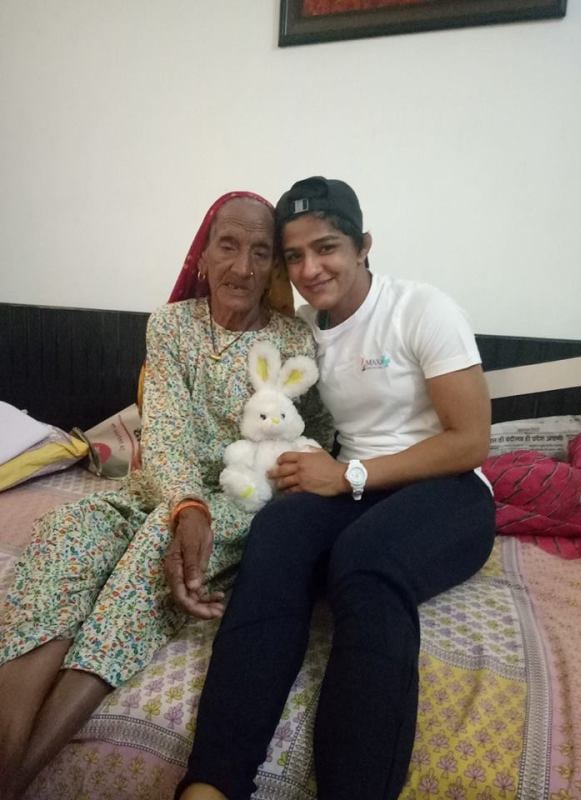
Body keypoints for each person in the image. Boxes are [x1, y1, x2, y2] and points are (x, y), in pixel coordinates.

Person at [0, 190, 333, 800]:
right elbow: (167, 433)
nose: (242, 267)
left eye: (261, 252)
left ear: (274, 267)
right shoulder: (171, 324)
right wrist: (186, 506)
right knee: (68, 529)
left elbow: (314, 435)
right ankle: (6, 745)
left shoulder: (294, 339)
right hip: (161, 486)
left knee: (152, 552)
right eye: (228, 245)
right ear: (202, 254)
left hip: (241, 499)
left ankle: (16, 777)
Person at [176, 177, 497, 800]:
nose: (310, 269)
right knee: (275, 535)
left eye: (326, 248)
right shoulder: (302, 333)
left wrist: (349, 474)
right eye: (294, 255)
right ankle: (212, 781)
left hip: (450, 488)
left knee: (364, 562)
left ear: (363, 246)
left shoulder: (421, 309)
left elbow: (471, 440)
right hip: (358, 488)